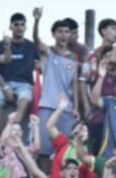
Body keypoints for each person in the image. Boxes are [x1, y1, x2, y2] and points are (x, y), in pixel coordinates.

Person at [32, 10, 80, 160]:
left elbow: (75, 85)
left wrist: (76, 107)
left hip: (66, 109)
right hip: (47, 106)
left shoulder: (74, 57)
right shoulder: (48, 52)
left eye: (67, 31)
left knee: (65, 149)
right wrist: (37, 21)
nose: (64, 35)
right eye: (60, 31)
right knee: (45, 150)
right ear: (54, 34)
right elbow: (36, 39)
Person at [0, 12, 37, 131]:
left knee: (24, 101)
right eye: (16, 24)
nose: (19, 27)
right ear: (10, 26)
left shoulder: (31, 46)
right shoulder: (0, 45)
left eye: (22, 24)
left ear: (26, 27)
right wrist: (5, 88)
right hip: (3, 83)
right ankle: (3, 138)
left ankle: (11, 132)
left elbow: (41, 63)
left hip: (24, 85)